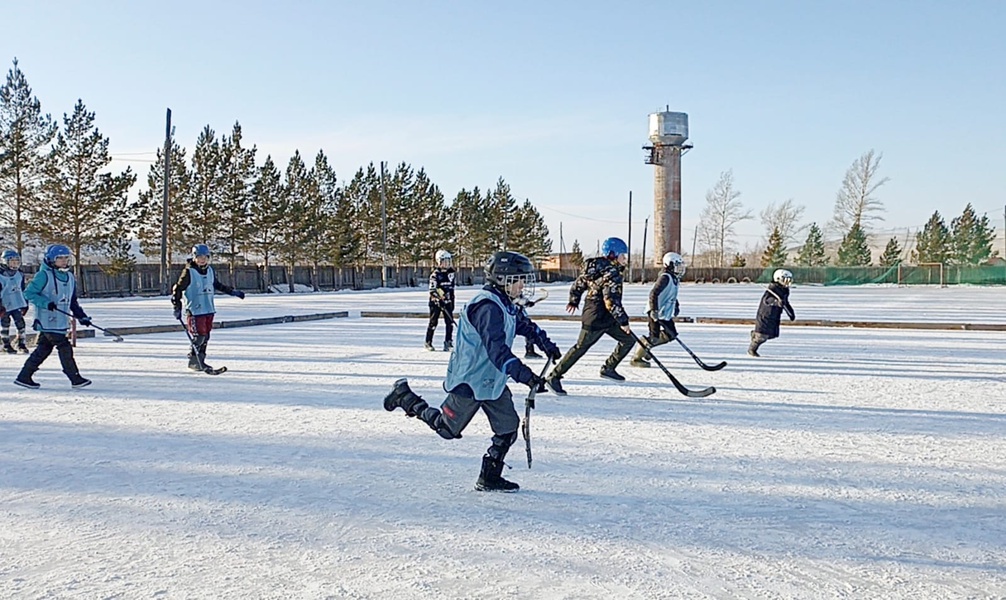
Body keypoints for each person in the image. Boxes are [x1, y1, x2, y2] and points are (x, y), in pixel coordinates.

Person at [383, 251, 562, 492]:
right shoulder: (487, 307)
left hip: (493, 379)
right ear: (502, 279)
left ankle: (489, 476)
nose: (523, 285)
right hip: (470, 379)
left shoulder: (506, 303)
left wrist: (545, 343)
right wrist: (526, 376)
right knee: (447, 430)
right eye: (519, 279)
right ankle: (405, 397)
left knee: (508, 428)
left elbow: (523, 324)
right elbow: (497, 350)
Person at [544, 237, 634, 396]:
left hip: (605, 315)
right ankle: (553, 377)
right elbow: (611, 300)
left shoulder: (597, 268)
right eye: (622, 255)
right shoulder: (612, 273)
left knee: (628, 340)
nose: (625, 259)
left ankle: (608, 368)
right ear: (612, 255)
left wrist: (574, 299)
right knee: (580, 347)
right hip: (596, 316)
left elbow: (578, 284)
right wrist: (623, 321)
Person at [14, 244, 92, 389]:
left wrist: (82, 316)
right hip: (47, 320)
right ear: (50, 259)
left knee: (43, 349)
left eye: (66, 258)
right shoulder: (43, 275)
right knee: (64, 346)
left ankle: (24, 376)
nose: (63, 261)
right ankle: (75, 378)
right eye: (59, 258)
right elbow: (29, 293)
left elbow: (72, 301)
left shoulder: (69, 277)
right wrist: (45, 303)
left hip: (61, 321)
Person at [171, 244, 245, 372]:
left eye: (205, 257)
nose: (202, 259)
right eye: (199, 257)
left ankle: (201, 361)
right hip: (195, 310)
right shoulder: (188, 272)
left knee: (205, 337)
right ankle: (194, 361)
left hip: (208, 309)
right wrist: (177, 306)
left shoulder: (210, 270)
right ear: (194, 257)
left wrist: (232, 292)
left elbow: (217, 285)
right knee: (199, 336)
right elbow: (177, 289)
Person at [631, 252, 686, 368]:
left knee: (671, 334)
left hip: (664, 313)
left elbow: (672, 295)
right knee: (654, 336)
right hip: (655, 311)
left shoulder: (674, 279)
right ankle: (637, 358)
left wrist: (676, 307)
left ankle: (647, 346)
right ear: (669, 265)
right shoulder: (665, 277)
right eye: (677, 265)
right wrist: (654, 310)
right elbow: (654, 293)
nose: (680, 268)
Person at [748, 269, 795, 357]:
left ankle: (754, 334)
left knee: (771, 334)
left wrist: (790, 313)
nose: (787, 282)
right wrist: (776, 302)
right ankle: (752, 350)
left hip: (775, 315)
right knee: (762, 336)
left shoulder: (785, 290)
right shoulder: (772, 289)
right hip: (766, 315)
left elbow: (785, 302)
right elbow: (767, 300)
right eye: (786, 280)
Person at [425, 249, 456, 352]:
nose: (447, 264)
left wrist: (451, 301)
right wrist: (438, 298)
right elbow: (433, 290)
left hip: (447, 301)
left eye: (448, 261)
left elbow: (451, 289)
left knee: (449, 322)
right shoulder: (435, 275)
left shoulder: (451, 274)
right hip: (436, 302)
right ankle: (428, 341)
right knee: (433, 322)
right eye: (445, 261)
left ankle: (448, 342)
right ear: (439, 262)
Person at [0, 249, 30, 354]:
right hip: (4, 305)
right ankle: (6, 345)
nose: (15, 264)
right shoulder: (1, 275)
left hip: (17, 303)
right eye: (12, 261)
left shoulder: (19, 274)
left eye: (17, 261)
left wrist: (25, 303)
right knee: (5, 324)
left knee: (21, 323)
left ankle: (21, 344)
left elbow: (22, 289)